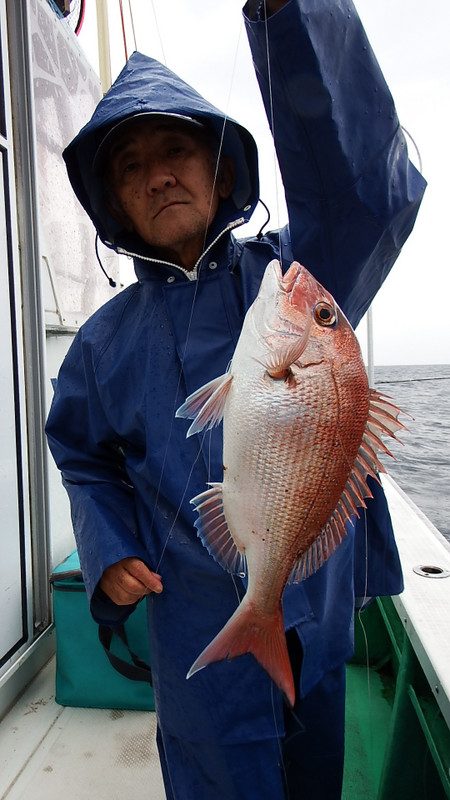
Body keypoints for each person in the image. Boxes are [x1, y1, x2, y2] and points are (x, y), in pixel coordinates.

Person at [46, 1, 426, 798]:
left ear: (221, 170)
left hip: (314, 616)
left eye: (177, 148)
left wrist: (291, 16)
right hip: (195, 627)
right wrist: (110, 549)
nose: (156, 173)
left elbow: (368, 190)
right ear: (113, 206)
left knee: (314, 776)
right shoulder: (101, 342)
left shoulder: (295, 277)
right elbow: (82, 457)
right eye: (129, 167)